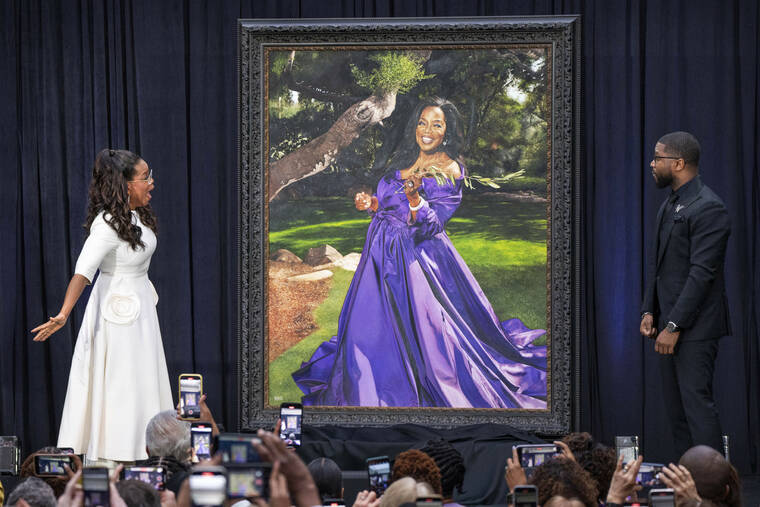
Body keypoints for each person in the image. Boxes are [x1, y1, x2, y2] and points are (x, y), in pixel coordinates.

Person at [292, 97, 547, 408]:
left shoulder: (450, 168)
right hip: (379, 252)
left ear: (447, 132)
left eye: (436, 125)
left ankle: (401, 384)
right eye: (422, 122)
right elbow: (387, 205)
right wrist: (369, 203)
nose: (427, 130)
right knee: (369, 326)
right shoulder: (407, 157)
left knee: (424, 334)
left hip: (413, 261)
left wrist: (415, 197)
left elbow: (432, 224)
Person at [31, 149, 173, 462]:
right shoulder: (107, 225)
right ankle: (114, 458)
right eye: (145, 177)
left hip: (139, 312)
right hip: (119, 316)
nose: (152, 182)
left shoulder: (134, 216)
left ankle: (142, 451)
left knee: (140, 382)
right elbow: (83, 272)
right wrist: (63, 314)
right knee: (120, 385)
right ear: (125, 186)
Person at [640, 132, 731, 456]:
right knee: (677, 414)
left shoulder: (709, 208)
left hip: (695, 329)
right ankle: (686, 485)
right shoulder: (671, 203)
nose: (652, 163)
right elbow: (659, 265)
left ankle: (713, 490)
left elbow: (701, 275)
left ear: (678, 163)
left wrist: (674, 326)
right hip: (667, 327)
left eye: (658, 157)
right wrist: (649, 311)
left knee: (697, 408)